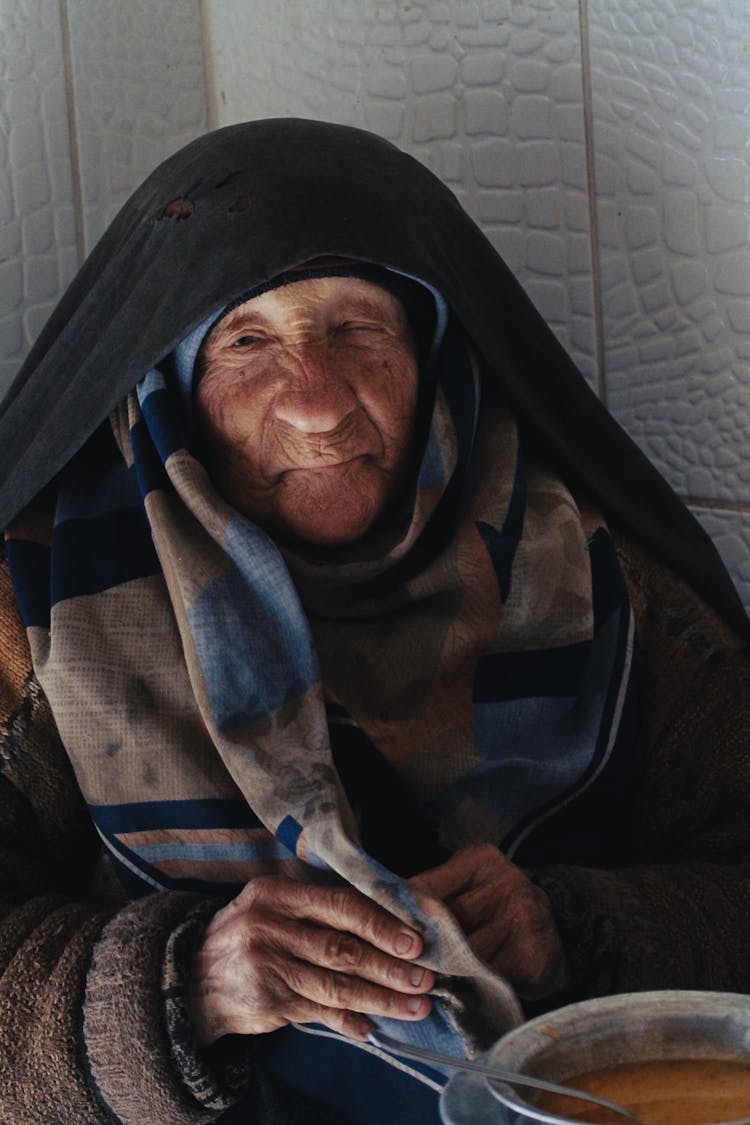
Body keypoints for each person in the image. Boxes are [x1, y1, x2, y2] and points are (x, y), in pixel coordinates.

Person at [0, 119, 749, 1125]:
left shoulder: (599, 585)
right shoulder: (36, 623)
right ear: (170, 393)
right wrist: (185, 985)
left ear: (434, 360)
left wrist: (576, 924)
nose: (315, 402)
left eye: (358, 330)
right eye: (247, 341)